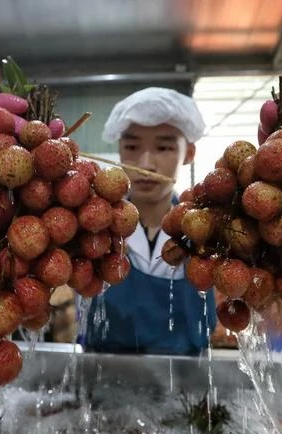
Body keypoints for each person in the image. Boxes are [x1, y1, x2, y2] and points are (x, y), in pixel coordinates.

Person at [84, 87, 216, 356]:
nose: (146, 164)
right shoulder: (94, 227)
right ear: (119, 151)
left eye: (164, 147)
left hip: (187, 386)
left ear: (189, 153)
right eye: (132, 147)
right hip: (103, 379)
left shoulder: (207, 232)